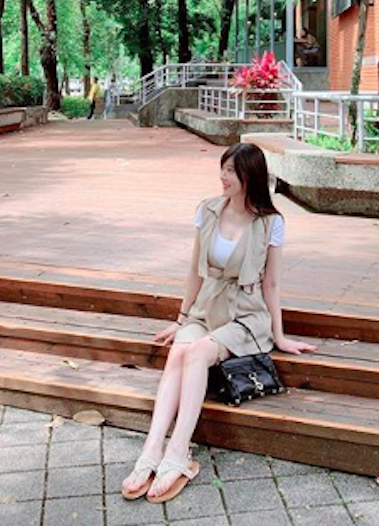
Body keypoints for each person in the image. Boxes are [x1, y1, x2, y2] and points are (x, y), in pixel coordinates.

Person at [121, 142, 316, 504]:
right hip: (206, 307)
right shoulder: (208, 210)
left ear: (249, 176)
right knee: (179, 351)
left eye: (230, 171)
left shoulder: (270, 222)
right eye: (222, 169)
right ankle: (151, 450)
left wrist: (280, 336)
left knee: (197, 354)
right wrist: (181, 319)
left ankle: (178, 452)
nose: (222, 177)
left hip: (245, 314)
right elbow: (195, 272)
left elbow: (272, 284)